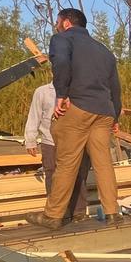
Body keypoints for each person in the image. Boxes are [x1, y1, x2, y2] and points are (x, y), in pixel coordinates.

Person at [27, 8, 122, 230]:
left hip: (78, 105)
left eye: (57, 22)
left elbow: (60, 62)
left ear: (67, 23)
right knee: (103, 163)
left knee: (67, 161)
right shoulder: (104, 50)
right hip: (104, 112)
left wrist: (61, 94)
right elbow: (115, 87)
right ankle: (112, 213)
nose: (56, 25)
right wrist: (114, 115)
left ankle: (52, 216)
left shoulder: (61, 39)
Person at [24, 81, 91, 220]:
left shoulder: (80, 90)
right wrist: (30, 139)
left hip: (76, 141)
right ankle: (56, 213)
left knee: (79, 174)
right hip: (50, 141)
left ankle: (79, 212)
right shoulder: (42, 92)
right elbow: (34, 116)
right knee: (52, 175)